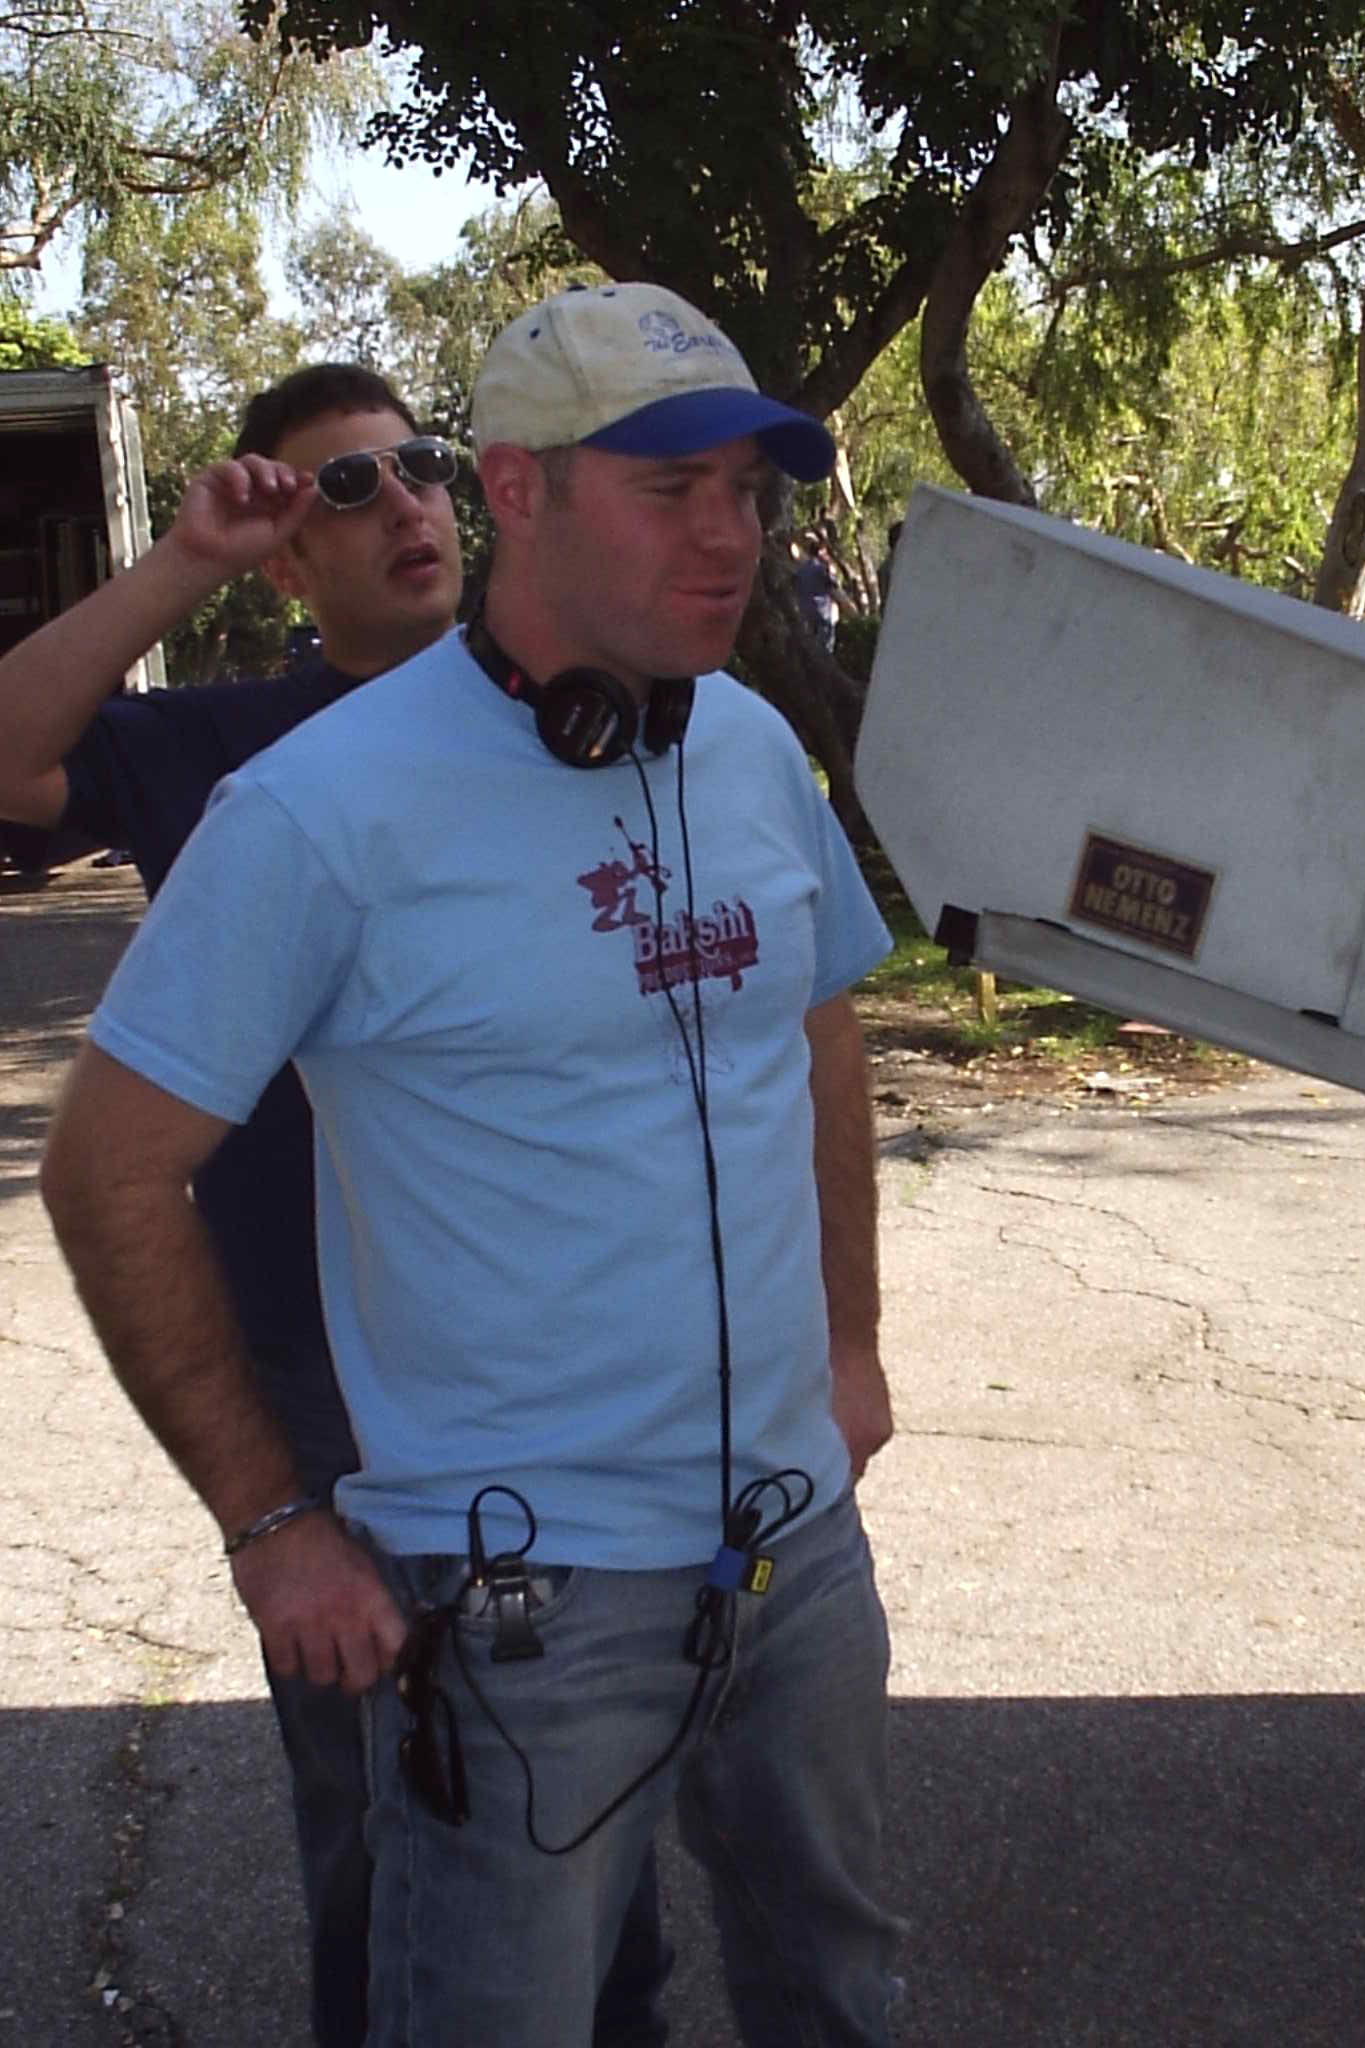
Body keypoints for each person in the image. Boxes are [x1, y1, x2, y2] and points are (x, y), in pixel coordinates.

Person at [39, 280, 902, 2046]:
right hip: (523, 1603)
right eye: (671, 489)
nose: (730, 532)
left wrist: (852, 1346)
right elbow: (105, 1169)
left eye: (751, 487)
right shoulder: (318, 806)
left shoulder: (741, 743)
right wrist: (275, 1524)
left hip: (794, 1552)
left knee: (836, 1983)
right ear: (515, 489)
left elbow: (816, 1032)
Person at [0, 363, 670, 2048]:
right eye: (342, 491)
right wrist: (185, 564)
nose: (404, 505)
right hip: (316, 1361)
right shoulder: (228, 744)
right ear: (290, 565)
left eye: (420, 467)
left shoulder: (576, 713)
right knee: (382, 1789)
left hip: (548, 1349)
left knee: (595, 1770)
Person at [792, 525, 847, 649]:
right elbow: (834, 586)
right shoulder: (821, 569)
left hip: (805, 613)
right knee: (825, 649)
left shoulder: (801, 569)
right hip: (822, 615)